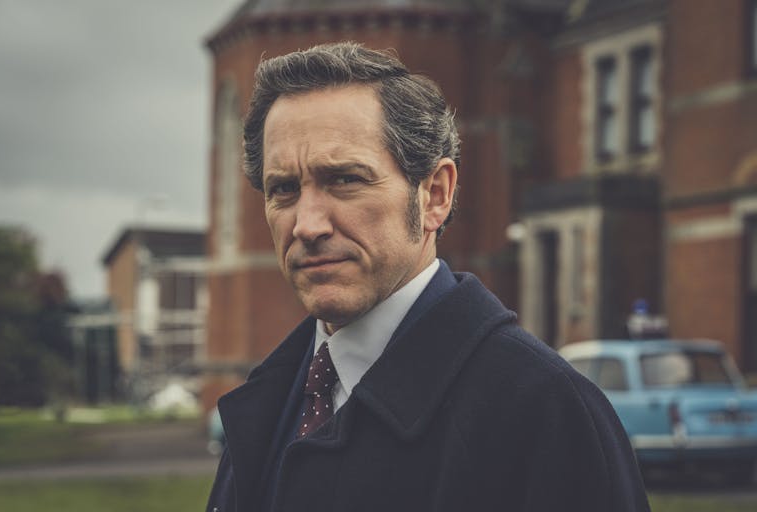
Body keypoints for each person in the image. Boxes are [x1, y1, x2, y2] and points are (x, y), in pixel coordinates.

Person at [207, 41, 650, 512]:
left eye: (345, 180)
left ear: (434, 195)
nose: (307, 224)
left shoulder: (546, 412)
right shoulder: (266, 401)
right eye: (284, 189)